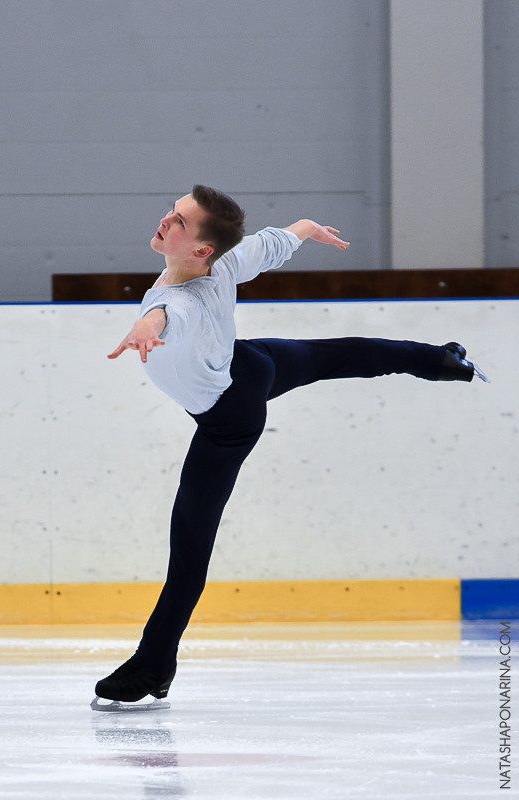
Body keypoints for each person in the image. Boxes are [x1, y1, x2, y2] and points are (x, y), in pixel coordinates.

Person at [94, 185, 486, 705]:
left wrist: (146, 325)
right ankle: (440, 360)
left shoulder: (178, 299)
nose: (166, 221)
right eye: (173, 212)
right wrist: (305, 227)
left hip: (228, 419)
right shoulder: (224, 262)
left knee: (189, 549)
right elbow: (269, 243)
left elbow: (168, 315)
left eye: (179, 221)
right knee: (338, 356)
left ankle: (151, 667)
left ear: (202, 250)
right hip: (251, 364)